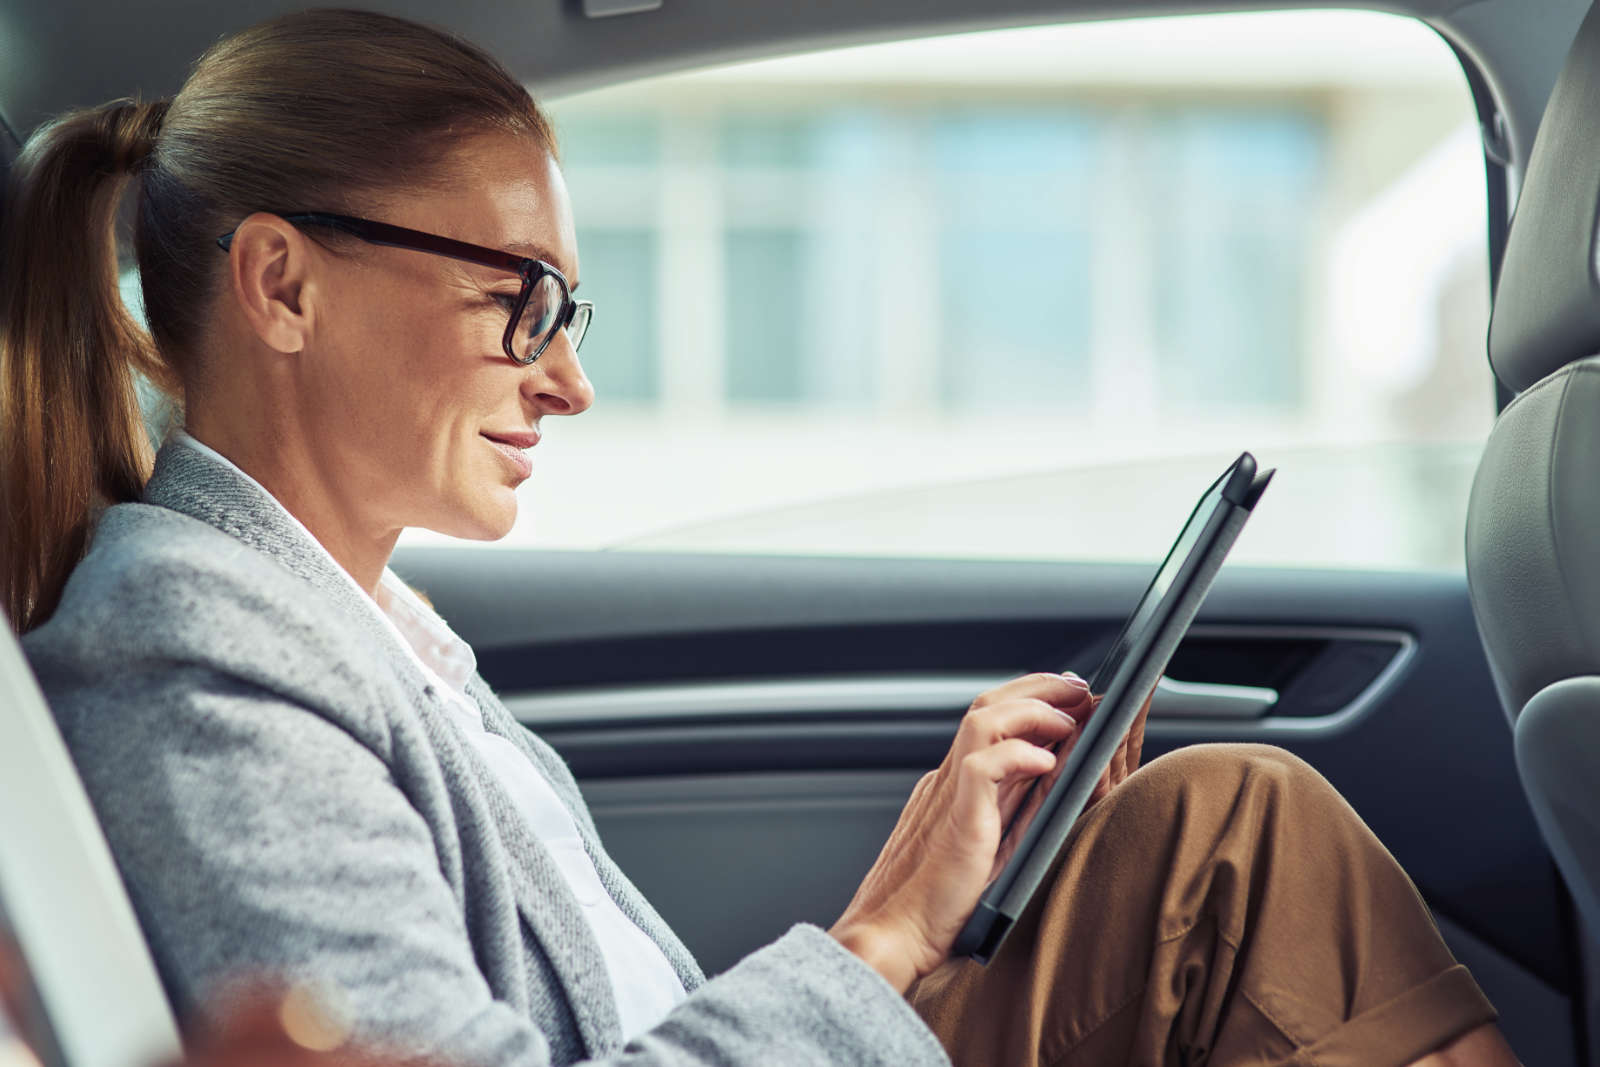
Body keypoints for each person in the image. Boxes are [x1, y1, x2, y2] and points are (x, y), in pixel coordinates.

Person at [0, 10, 1519, 1066]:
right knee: (1236, 845)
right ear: (282, 285)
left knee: (1214, 827)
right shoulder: (192, 648)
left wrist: (906, 913)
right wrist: (874, 946)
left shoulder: (361, 632)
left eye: (570, 312)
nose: (570, 377)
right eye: (517, 298)